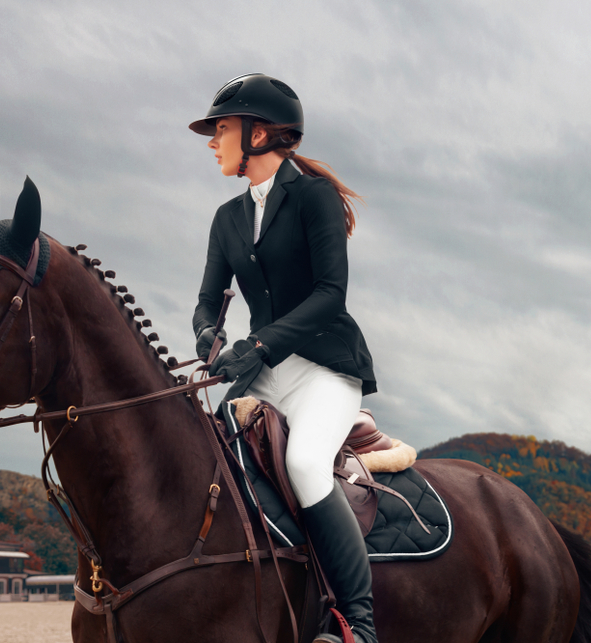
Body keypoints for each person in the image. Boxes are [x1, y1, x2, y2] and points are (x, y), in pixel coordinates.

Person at [190, 73, 378, 643]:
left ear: (260, 133)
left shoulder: (313, 197)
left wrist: (262, 345)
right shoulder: (226, 217)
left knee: (302, 465)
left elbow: (330, 295)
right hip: (262, 373)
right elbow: (207, 302)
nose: (212, 141)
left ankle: (359, 624)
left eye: (220, 129)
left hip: (324, 368)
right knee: (201, 459)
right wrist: (208, 339)